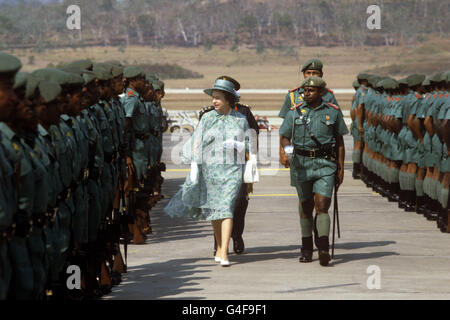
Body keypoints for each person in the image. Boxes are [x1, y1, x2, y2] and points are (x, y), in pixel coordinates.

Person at [164, 78, 256, 266]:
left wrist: (239, 145)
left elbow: (249, 143)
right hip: (210, 169)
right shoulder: (207, 118)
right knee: (214, 210)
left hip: (232, 170)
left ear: (229, 99)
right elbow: (196, 142)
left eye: (218, 98)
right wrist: (194, 167)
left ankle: (225, 254)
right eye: (213, 98)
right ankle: (221, 247)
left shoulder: (241, 119)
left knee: (227, 209)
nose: (214, 101)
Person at [279, 76, 348, 266]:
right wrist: (287, 152)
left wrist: (341, 167)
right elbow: (284, 136)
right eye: (304, 91)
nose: (306, 94)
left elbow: (340, 142)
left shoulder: (332, 113)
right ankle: (307, 247)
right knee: (305, 207)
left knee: (322, 204)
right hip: (301, 164)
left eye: (310, 91)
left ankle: (324, 248)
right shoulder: (294, 113)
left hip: (325, 164)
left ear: (321, 93)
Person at [199, 75, 260, 255]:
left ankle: (237, 235)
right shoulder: (207, 114)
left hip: (239, 165)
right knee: (218, 205)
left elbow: (253, 136)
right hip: (215, 167)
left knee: (240, 204)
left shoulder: (244, 113)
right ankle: (218, 243)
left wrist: (246, 153)